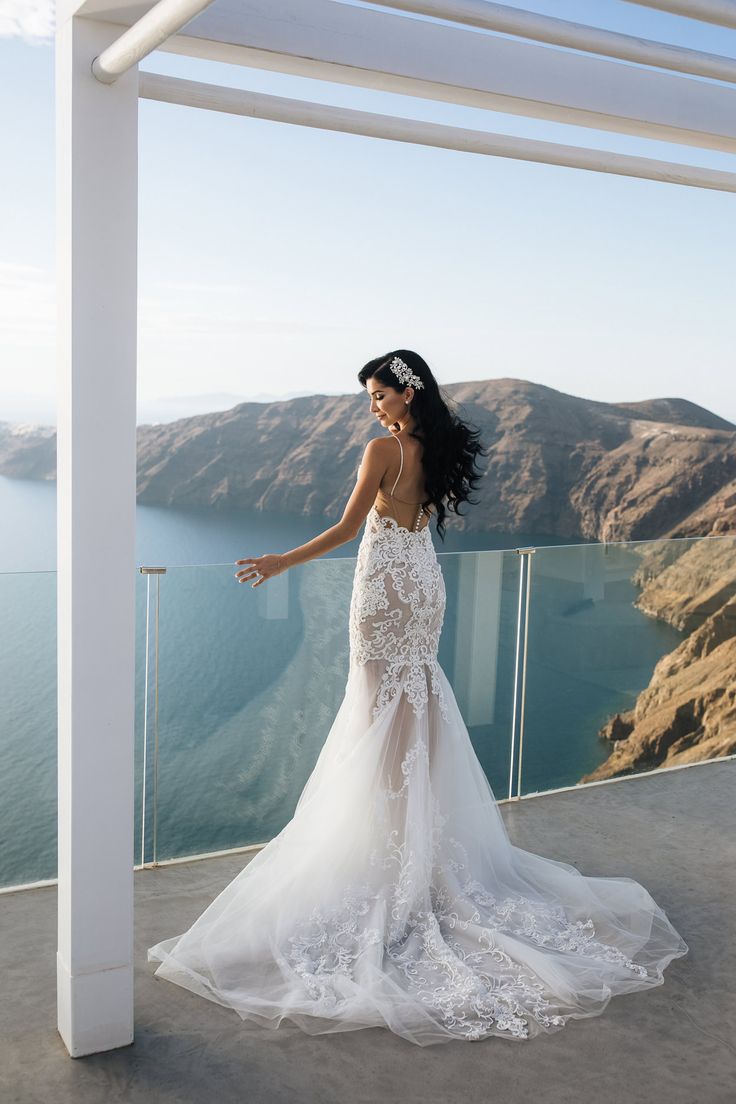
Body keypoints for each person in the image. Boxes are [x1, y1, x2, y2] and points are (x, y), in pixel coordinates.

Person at [147, 349, 688, 1045]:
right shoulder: (436, 449)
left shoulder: (382, 451)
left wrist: (282, 559)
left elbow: (348, 530)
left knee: (376, 711)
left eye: (378, 394)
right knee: (416, 702)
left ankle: (388, 850)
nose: (372, 406)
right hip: (423, 584)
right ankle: (416, 846)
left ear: (407, 394)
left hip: (381, 592)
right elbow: (411, 520)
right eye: (371, 397)